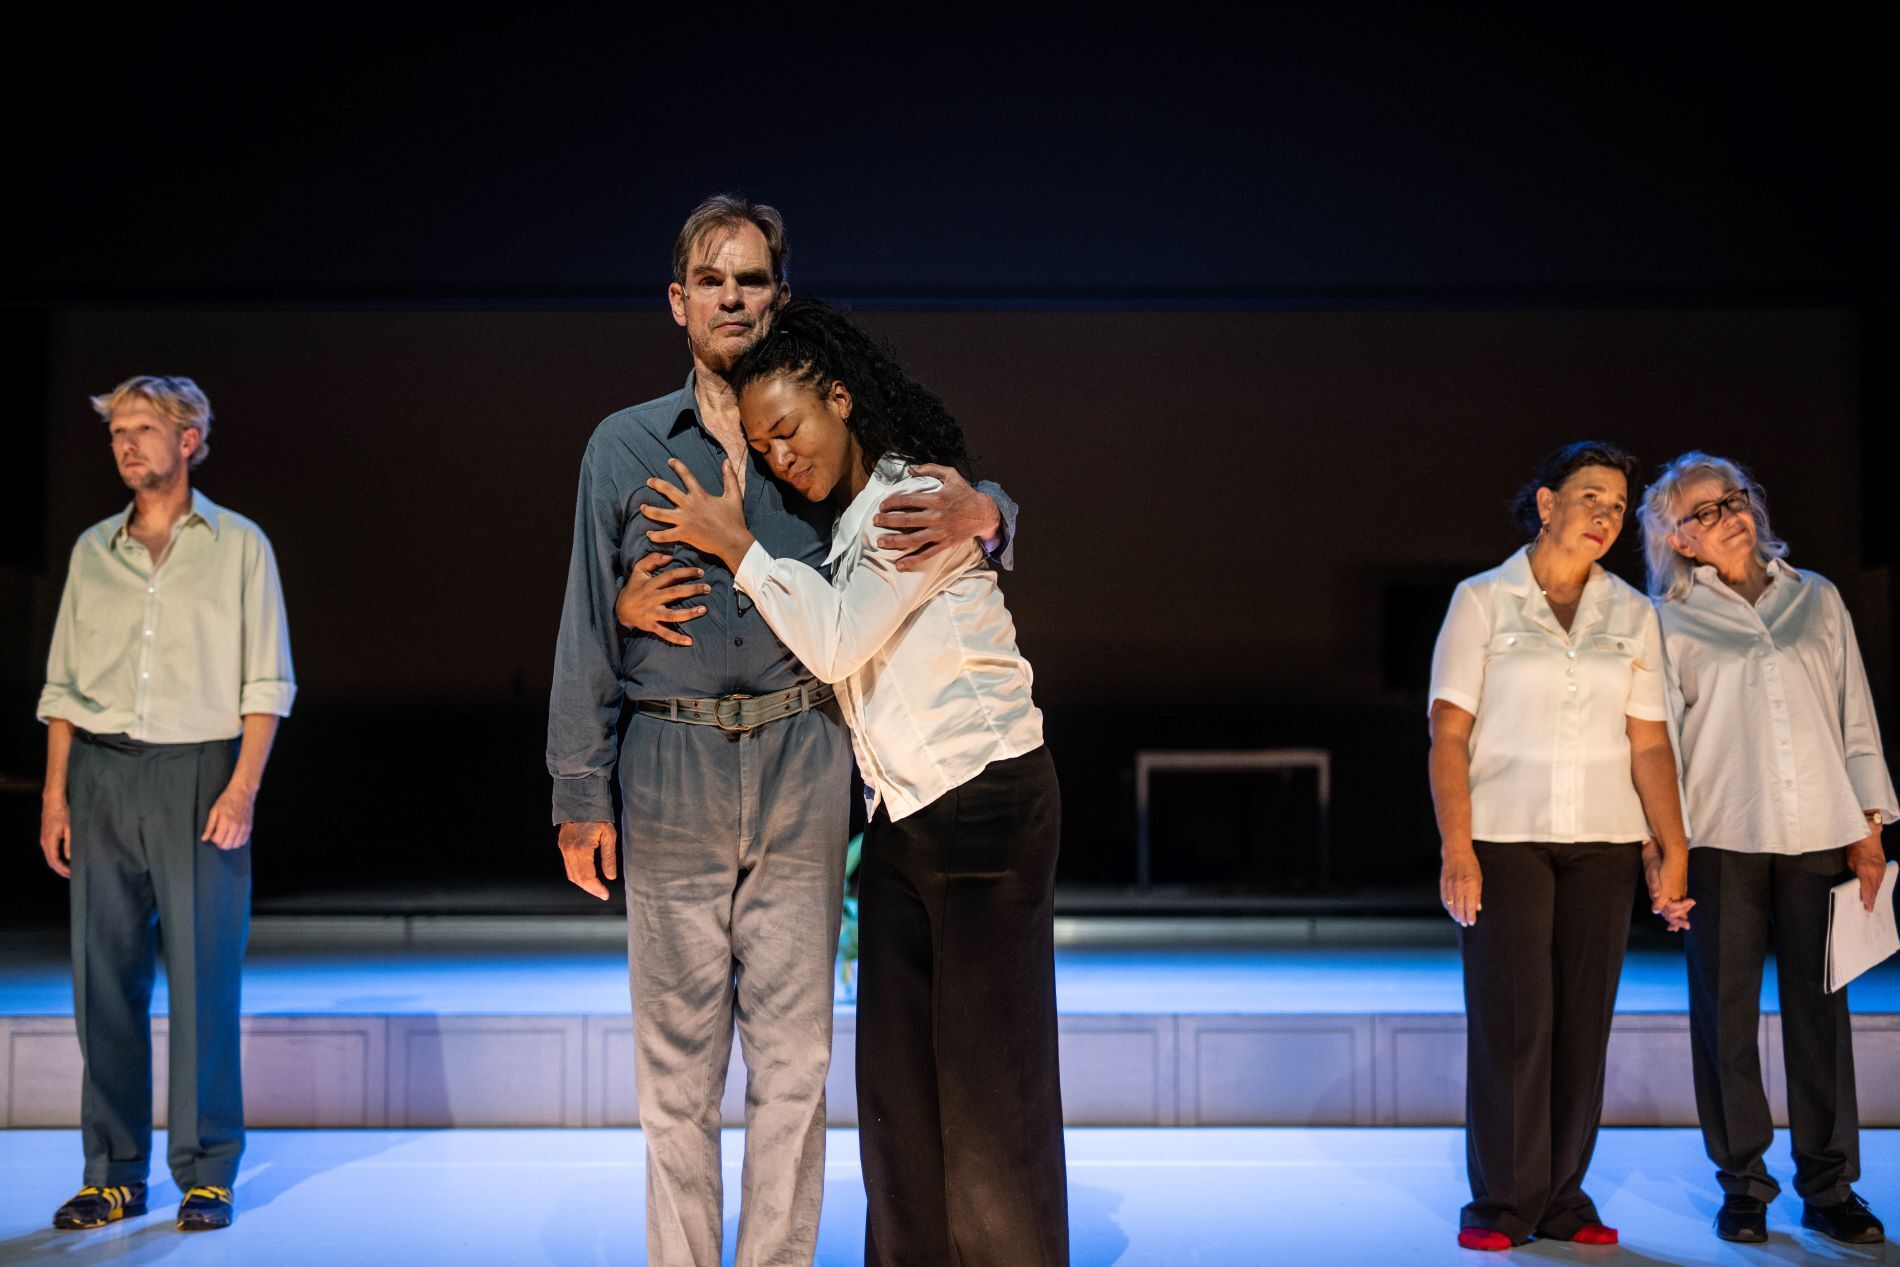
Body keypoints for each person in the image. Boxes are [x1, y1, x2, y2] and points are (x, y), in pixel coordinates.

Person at [546, 197, 1016, 1267]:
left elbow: (941, 482)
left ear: (780, 297)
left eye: (751, 280)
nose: (731, 298)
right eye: (711, 281)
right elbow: (583, 619)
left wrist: (990, 509)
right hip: (669, 762)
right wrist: (579, 788)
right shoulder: (622, 445)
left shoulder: (816, 431)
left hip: (803, 756)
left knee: (796, 1065)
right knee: (676, 1073)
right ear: (677, 302)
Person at [639, 296, 1066, 1267]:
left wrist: (735, 544)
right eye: (763, 445)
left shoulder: (912, 499)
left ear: (839, 398)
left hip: (986, 797)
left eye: (789, 428)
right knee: (895, 1086)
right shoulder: (847, 521)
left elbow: (834, 641)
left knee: (986, 1080)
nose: (782, 455)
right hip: (907, 817)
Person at [37, 375, 295, 1233]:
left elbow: (267, 680)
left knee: (203, 979)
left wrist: (241, 787)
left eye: (143, 427)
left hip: (200, 771)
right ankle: (112, 1171)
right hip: (101, 773)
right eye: (117, 430)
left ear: (188, 439)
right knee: (101, 979)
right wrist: (55, 796)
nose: (126, 443)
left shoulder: (239, 545)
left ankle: (207, 1168)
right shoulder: (93, 551)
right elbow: (63, 686)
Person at [1426, 440, 1692, 1251]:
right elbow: (1448, 734)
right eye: (1590, 497)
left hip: (1604, 842)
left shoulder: (1633, 612)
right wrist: (1457, 847)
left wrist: (1671, 847)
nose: (1605, 516)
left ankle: (1564, 1197)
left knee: (1583, 1022)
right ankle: (1503, 1202)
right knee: (1514, 1022)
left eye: (1618, 505)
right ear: (1547, 504)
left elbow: (1650, 742)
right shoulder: (1483, 600)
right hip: (1505, 839)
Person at [1640, 451, 1894, 1246]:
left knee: (1822, 1016)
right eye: (1707, 510)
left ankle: (1830, 1185)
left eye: (1735, 498)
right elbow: (1659, 747)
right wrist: (1664, 852)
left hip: (1819, 832)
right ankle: (1743, 1183)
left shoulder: (1816, 597)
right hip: (1721, 838)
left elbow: (1855, 718)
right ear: (1678, 538)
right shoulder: (1667, 620)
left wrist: (1869, 829)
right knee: (1725, 1018)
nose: (1731, 515)